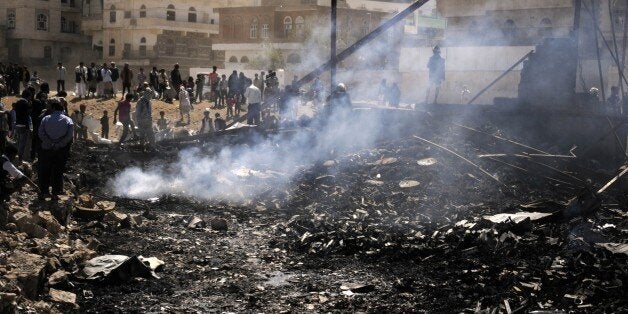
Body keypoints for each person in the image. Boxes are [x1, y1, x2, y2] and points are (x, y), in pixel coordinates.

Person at [38, 98, 73, 200]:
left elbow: (41, 133)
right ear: (62, 110)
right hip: (61, 150)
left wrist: (50, 143)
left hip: (47, 149)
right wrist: (59, 144)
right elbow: (69, 136)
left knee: (45, 170)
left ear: (53, 109)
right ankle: (56, 191)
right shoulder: (68, 120)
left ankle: (44, 191)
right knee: (58, 171)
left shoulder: (46, 118)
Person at [13, 89, 32, 161]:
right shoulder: (26, 104)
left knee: (18, 142)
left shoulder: (18, 102)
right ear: (29, 96)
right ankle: (20, 158)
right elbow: (29, 114)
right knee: (23, 143)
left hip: (18, 124)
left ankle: (15, 156)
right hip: (24, 125)